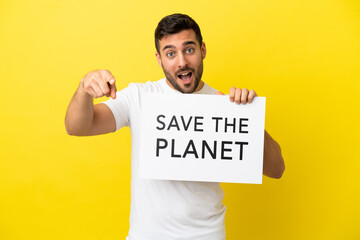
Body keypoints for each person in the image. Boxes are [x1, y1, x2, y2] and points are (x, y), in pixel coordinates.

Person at [65, 13, 285, 240]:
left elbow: (277, 169)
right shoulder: (140, 97)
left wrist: (248, 118)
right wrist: (84, 89)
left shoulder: (222, 104)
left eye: (189, 50)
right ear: (159, 59)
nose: (182, 62)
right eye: (171, 53)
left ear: (203, 51)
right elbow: (77, 127)